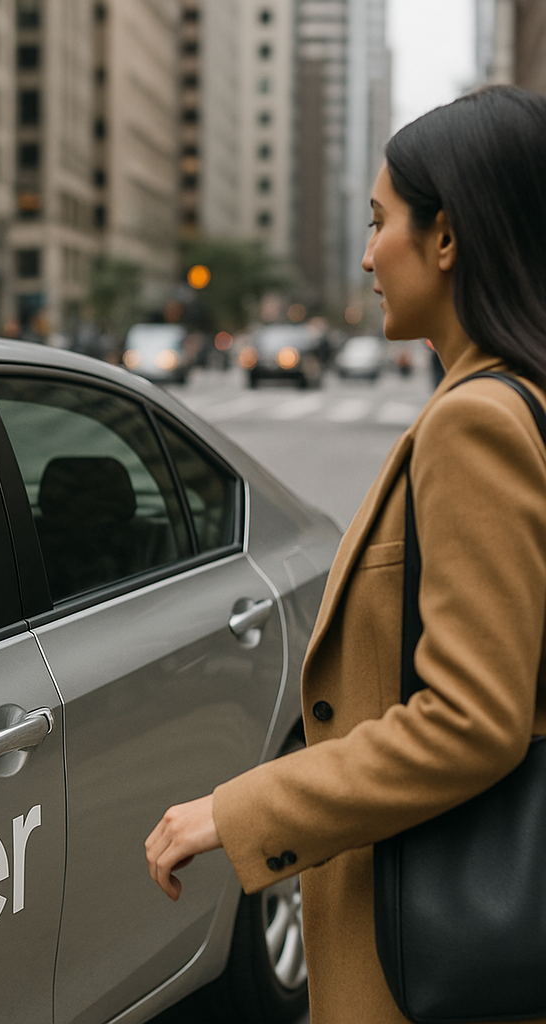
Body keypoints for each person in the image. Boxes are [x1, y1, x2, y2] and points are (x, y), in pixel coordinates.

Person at [145, 85, 546, 1024]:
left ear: (446, 237)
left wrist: (238, 811)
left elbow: (470, 720)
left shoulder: (480, 423)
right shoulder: (524, 399)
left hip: (433, 955)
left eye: (381, 223)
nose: (367, 255)